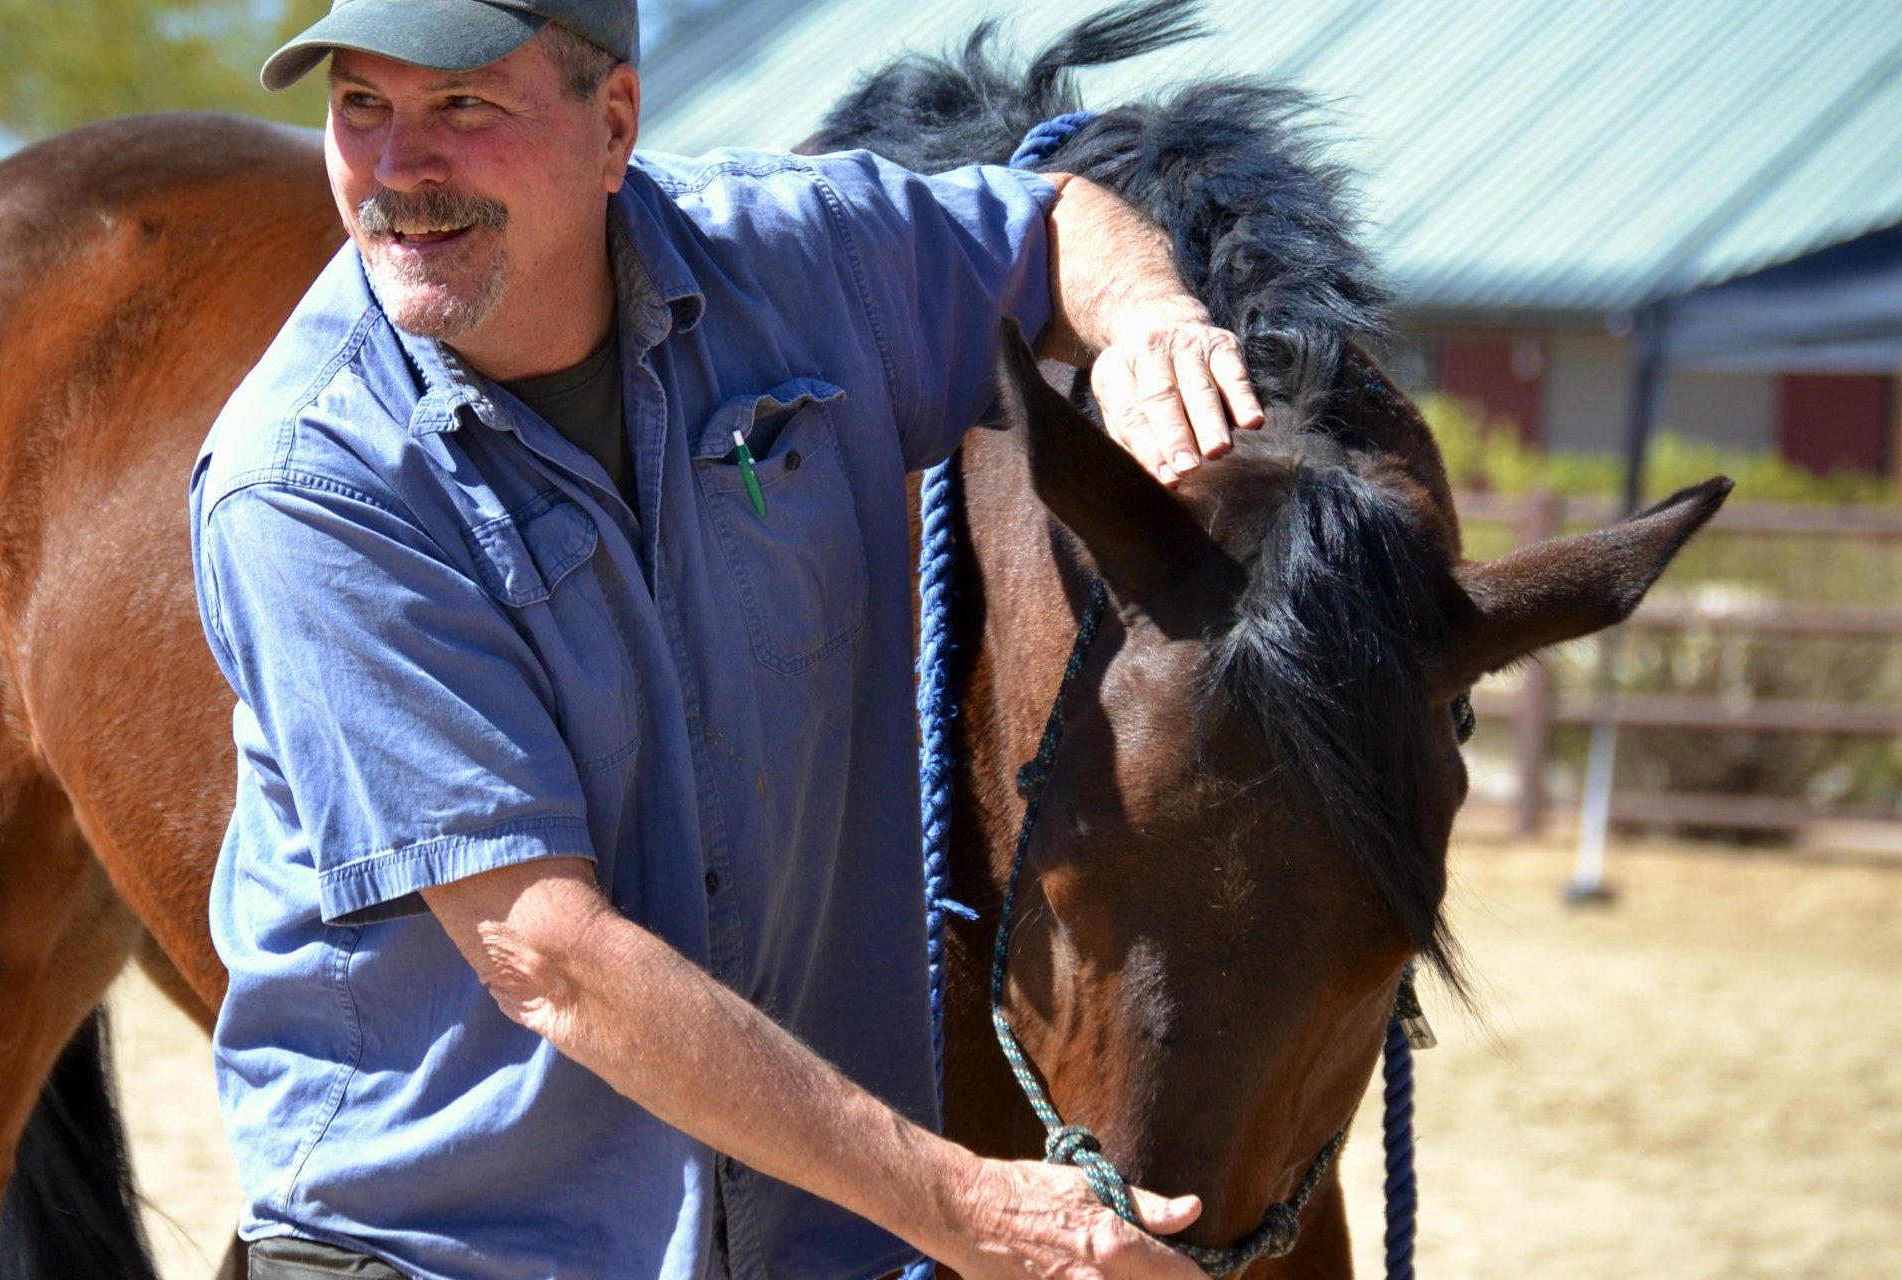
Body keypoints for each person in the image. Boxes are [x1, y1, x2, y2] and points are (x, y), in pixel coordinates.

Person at [188, 2, 1263, 1277]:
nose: (400, 171)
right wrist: (967, 1207)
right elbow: (549, 953)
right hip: (449, 1247)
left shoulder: (799, 258)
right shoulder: (313, 483)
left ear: (615, 127)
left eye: (464, 107)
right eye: (361, 106)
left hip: (808, 1238)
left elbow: (1049, 219)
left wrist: (1150, 320)